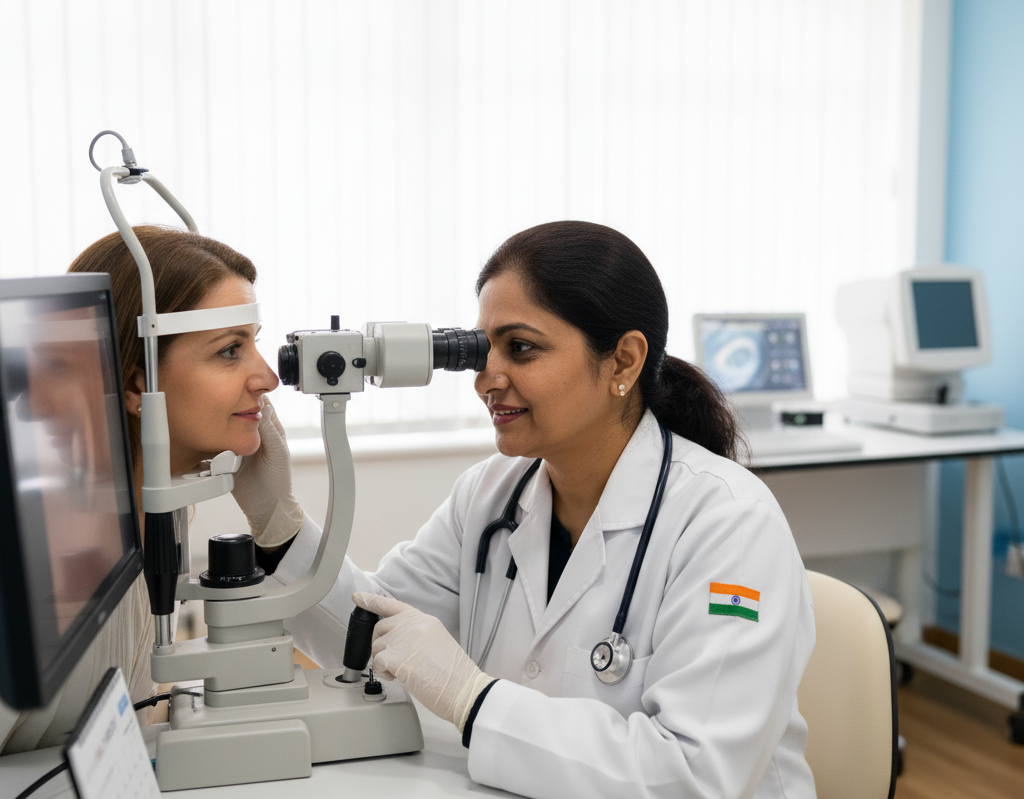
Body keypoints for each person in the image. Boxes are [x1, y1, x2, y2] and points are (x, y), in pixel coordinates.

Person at [259, 221, 817, 798]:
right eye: (482, 349)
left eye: (521, 348)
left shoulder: (730, 525)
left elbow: (694, 778)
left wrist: (473, 700)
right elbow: (370, 635)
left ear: (623, 362)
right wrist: (276, 522)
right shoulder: (492, 493)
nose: (486, 379)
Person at [0, 226, 283, 753]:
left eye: (254, 344)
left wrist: (279, 524)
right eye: (229, 351)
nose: (266, 377)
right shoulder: (40, 559)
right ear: (137, 385)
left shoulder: (163, 503)